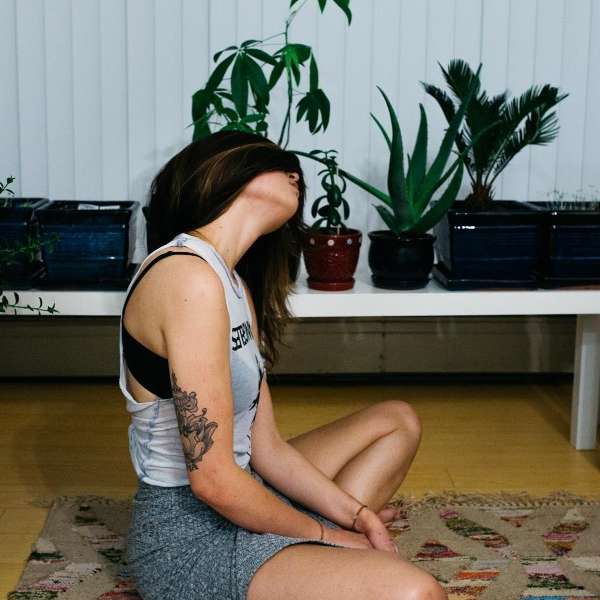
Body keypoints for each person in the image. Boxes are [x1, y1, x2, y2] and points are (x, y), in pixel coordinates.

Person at [120, 130, 445, 600]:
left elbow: (266, 447)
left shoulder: (232, 285)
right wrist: (326, 534)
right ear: (224, 170)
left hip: (246, 488)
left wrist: (356, 516)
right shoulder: (185, 277)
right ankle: (307, 556)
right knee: (416, 594)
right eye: (277, 163)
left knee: (397, 421)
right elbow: (213, 481)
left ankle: (306, 558)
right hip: (187, 537)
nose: (296, 174)